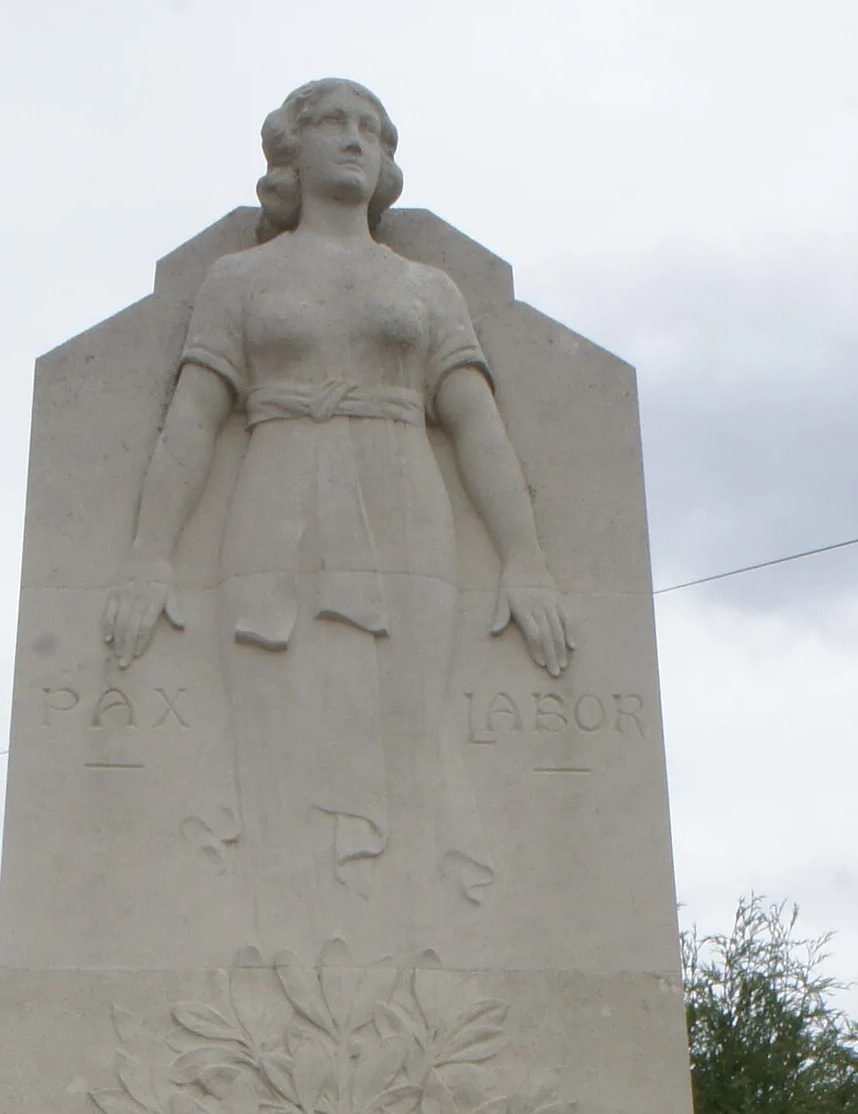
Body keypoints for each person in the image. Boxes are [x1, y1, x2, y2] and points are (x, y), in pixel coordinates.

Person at [103, 77, 570, 941]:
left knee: (406, 742)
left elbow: (475, 425)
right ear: (292, 148)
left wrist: (525, 557)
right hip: (275, 503)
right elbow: (194, 421)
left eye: (372, 128)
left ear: (387, 158)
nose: (355, 140)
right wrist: (148, 554)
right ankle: (277, 950)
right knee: (274, 737)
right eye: (333, 124)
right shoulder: (238, 281)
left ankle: (404, 960)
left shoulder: (427, 290)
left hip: (403, 513)